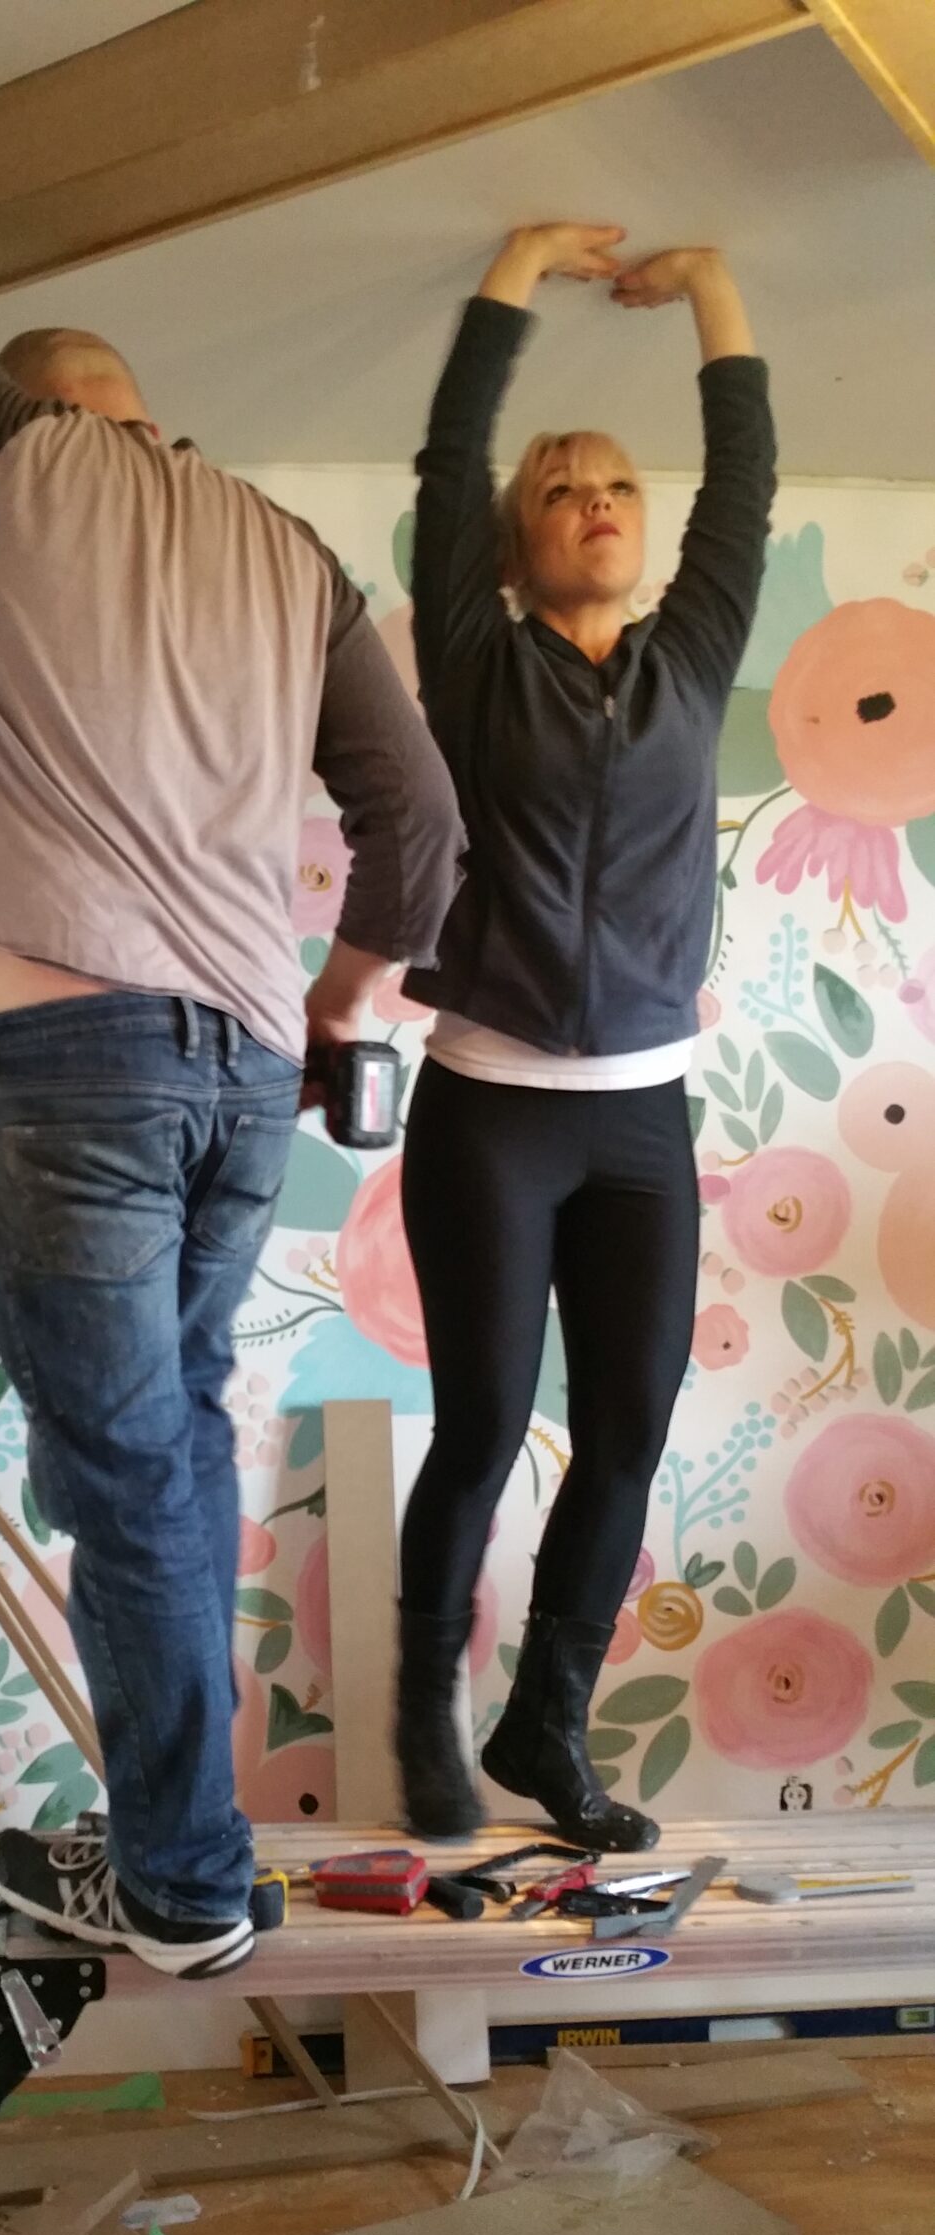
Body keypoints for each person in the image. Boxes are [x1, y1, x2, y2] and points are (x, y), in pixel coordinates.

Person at [0, 256, 461, 1978]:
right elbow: (420, 822)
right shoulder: (283, 550)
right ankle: (184, 1844)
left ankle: (184, 1886)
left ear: (22, 409)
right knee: (172, 1454)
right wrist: (342, 1007)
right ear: (155, 421)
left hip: (81, 1066)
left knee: (134, 1482)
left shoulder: (0, 461)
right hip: (243, 1077)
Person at [395, 222, 776, 1854]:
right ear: (515, 539)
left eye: (615, 486)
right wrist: (512, 272)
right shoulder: (475, 662)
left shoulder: (692, 653)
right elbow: (447, 458)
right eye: (561, 491)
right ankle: (427, 1715)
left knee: (626, 1432)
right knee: (484, 1425)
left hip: (638, 1121)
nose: (597, 505)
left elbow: (743, 481)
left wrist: (710, 286)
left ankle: (544, 1723)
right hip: (490, 1106)